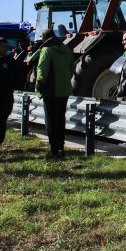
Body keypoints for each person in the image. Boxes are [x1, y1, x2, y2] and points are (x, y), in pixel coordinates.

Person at [34, 28, 73, 158]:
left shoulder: (46, 50)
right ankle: (61, 146)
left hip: (50, 90)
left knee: (50, 120)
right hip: (64, 90)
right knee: (60, 119)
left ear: (44, 38)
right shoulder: (66, 49)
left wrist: (39, 83)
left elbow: (42, 69)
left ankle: (54, 149)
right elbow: (72, 69)